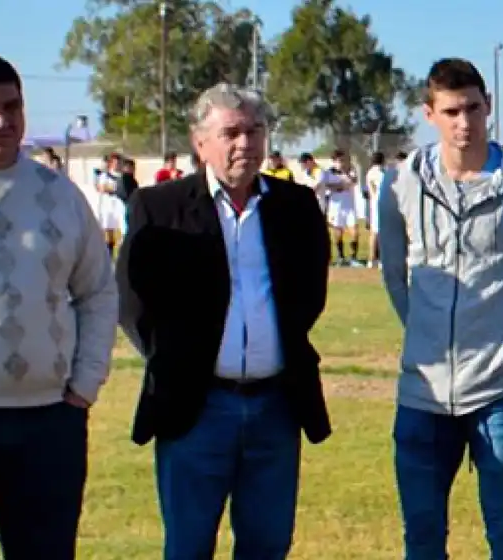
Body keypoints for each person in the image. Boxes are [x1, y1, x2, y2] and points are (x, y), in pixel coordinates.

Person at [117, 83, 331, 560]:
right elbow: (132, 303)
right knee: (189, 547)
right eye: (231, 132)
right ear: (200, 142)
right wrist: (176, 359)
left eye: (255, 131)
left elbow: (309, 297)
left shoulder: (296, 207)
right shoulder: (160, 208)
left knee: (267, 545)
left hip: (275, 407)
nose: (245, 144)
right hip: (196, 408)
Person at [379, 57, 503, 559]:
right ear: (428, 113)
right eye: (451, 111)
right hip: (422, 393)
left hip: (500, 389)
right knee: (423, 535)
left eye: (473, 108)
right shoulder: (400, 185)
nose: (464, 122)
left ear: (488, 106)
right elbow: (394, 274)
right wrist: (425, 335)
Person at [0, 53, 118, 560]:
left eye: (12, 106)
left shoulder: (61, 195)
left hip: (49, 422)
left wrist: (84, 386)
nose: (2, 121)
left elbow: (97, 291)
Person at [327, 149, 363, 266]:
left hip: (349, 206)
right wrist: (341, 185)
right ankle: (341, 257)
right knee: (338, 232)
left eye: (343, 160)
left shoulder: (350, 171)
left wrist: (344, 179)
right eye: (339, 160)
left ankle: (353, 257)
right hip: (336, 207)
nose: (341, 163)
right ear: (334, 161)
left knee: (355, 231)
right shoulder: (329, 172)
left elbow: (353, 181)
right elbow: (330, 186)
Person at [365, 151, 386, 268]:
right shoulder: (380, 172)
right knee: (377, 231)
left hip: (375, 203)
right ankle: (374, 258)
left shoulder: (370, 172)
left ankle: (372, 259)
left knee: (375, 231)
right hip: (380, 203)